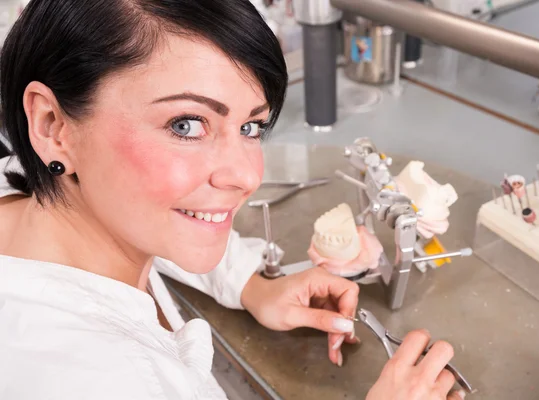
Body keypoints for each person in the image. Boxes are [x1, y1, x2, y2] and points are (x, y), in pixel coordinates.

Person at [0, 1, 464, 399]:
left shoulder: (32, 193)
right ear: (52, 125)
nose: (247, 176)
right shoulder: (100, 381)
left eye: (250, 127)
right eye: (186, 124)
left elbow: (137, 210)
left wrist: (251, 284)